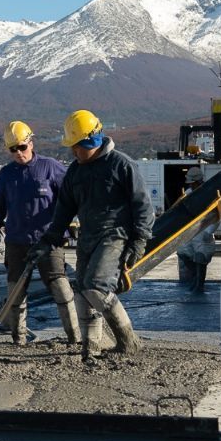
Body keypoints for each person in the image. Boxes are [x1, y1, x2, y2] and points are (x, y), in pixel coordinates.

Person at [29, 110, 154, 361]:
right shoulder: (75, 173)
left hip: (115, 236)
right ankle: (91, 346)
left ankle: (128, 341)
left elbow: (143, 206)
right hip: (88, 237)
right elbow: (63, 211)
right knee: (81, 290)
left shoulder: (121, 165)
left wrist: (139, 241)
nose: (73, 152)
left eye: (76, 147)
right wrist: (48, 240)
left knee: (96, 287)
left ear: (90, 142)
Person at [0, 120, 76, 344]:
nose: (19, 153)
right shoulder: (6, 175)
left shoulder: (50, 168)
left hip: (48, 241)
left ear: (31, 143)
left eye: (22, 147)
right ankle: (18, 338)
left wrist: (68, 226)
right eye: (13, 149)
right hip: (17, 242)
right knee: (15, 292)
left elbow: (71, 198)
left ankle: (75, 336)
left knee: (60, 287)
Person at [175, 166, 218, 293]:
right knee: (182, 252)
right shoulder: (189, 193)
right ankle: (195, 278)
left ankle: (200, 284)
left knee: (200, 257)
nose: (191, 185)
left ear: (198, 181)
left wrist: (209, 231)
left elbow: (218, 214)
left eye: (193, 183)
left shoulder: (210, 193)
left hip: (204, 229)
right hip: (191, 230)